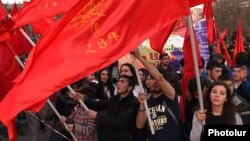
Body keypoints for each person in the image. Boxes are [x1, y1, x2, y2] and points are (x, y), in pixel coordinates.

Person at [133, 49, 182, 141]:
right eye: (151, 79)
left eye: (156, 79)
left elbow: (159, 78)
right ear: (148, 82)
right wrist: (142, 105)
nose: (155, 82)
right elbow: (140, 125)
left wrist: (139, 57)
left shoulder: (170, 95)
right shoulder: (147, 101)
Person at [72, 75, 139, 141]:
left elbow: (120, 121)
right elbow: (99, 105)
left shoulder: (133, 102)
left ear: (130, 88)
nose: (118, 83)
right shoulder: (115, 98)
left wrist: (97, 116)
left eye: (122, 81)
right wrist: (84, 98)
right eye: (118, 81)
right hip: (109, 136)